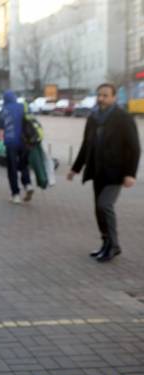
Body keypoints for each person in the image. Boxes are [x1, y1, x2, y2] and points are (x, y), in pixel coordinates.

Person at [67, 83, 140, 262]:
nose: (101, 99)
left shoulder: (123, 118)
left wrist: (130, 173)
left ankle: (114, 246)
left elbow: (134, 148)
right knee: (98, 210)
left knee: (104, 205)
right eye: (99, 95)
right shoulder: (93, 118)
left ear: (114, 97)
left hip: (116, 172)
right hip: (97, 171)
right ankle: (106, 243)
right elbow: (86, 145)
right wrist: (75, 168)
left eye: (105, 95)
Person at [0, 90, 34, 204]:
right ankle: (27, 184)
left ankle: (15, 195)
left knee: (12, 168)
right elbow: (30, 118)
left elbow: (0, 124)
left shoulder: (4, 110)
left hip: (11, 142)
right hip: (24, 142)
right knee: (24, 164)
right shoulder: (23, 106)